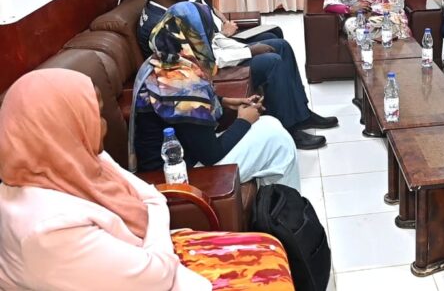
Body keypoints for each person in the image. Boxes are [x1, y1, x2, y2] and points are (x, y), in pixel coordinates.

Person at [0, 69, 293, 290]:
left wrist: (154, 212)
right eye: (93, 115)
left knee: (269, 246)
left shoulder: (78, 159)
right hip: (158, 273)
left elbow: (151, 197)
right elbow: (155, 268)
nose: (103, 124)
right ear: (59, 126)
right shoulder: (46, 231)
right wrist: (156, 214)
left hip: (152, 259)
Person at [137, 0, 334, 150]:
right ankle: (289, 127)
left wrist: (242, 47)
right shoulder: (159, 24)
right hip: (199, 74)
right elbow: (204, 59)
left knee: (280, 45)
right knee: (272, 61)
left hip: (210, 58)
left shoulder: (171, 10)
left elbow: (209, 41)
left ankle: (302, 113)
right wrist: (248, 51)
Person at [131, 1, 303, 188]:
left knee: (270, 126)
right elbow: (211, 154)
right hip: (177, 174)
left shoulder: (163, 60)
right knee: (278, 141)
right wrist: (244, 121)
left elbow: (181, 113)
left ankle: (274, 199)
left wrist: (224, 101)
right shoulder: (182, 84)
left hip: (186, 155)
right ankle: (287, 204)